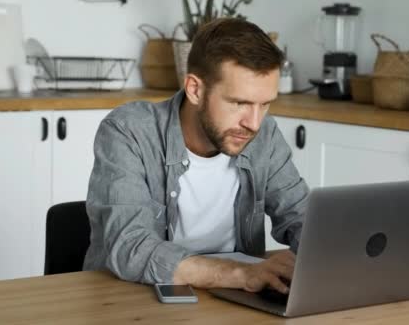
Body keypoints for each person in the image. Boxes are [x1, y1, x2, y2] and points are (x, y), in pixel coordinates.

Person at [83, 18, 309, 295]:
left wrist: (330, 254)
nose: (254, 122)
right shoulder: (129, 130)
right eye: (239, 103)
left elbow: (301, 216)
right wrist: (242, 274)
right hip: (131, 299)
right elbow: (132, 248)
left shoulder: (264, 134)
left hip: (233, 299)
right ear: (195, 89)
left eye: (265, 104)